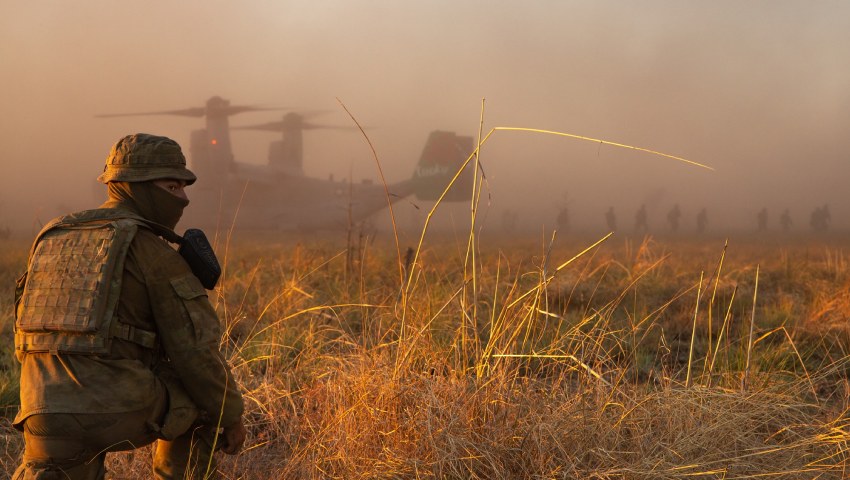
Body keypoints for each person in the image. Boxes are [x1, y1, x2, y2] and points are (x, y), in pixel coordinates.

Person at [12, 134, 246, 479]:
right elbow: (196, 354)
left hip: (39, 407)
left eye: (184, 187)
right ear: (136, 186)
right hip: (114, 409)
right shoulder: (151, 249)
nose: (183, 198)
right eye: (172, 186)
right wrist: (230, 414)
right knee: (204, 402)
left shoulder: (53, 236)